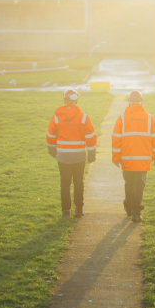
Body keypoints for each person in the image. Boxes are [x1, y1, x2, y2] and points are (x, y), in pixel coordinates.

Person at [46, 89, 97, 218]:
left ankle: (66, 211)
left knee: (65, 183)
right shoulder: (83, 117)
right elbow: (91, 137)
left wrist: (52, 150)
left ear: (64, 100)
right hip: (79, 156)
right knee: (78, 181)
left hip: (63, 156)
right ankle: (79, 209)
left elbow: (50, 135)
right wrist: (91, 154)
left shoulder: (57, 117)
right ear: (76, 100)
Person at [111, 90, 155, 222]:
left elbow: (116, 139)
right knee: (139, 185)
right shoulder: (149, 118)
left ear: (129, 102)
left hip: (126, 159)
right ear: (141, 102)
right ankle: (136, 213)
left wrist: (116, 158)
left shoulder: (122, 118)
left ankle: (128, 208)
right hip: (143, 160)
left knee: (129, 183)